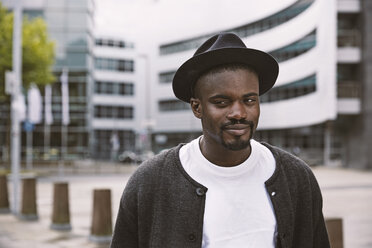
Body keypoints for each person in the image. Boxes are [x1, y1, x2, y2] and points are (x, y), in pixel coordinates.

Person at [110, 33, 330, 248]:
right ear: (197, 107)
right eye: (222, 102)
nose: (239, 113)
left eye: (249, 100)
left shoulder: (297, 178)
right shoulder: (150, 181)